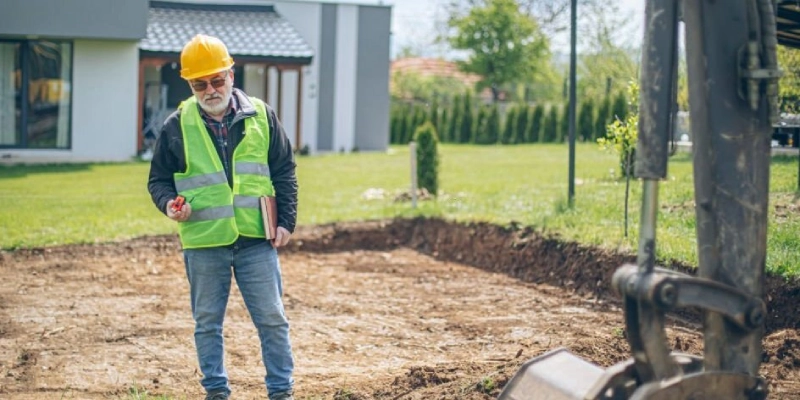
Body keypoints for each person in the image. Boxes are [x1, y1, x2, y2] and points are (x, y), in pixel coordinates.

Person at [147, 34, 298, 400]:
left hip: (255, 240)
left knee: (272, 320)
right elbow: (158, 180)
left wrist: (286, 221)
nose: (211, 89)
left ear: (231, 74)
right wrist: (169, 204)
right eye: (200, 83)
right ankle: (216, 392)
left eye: (217, 80)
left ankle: (281, 392)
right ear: (190, 84)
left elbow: (284, 170)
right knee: (207, 324)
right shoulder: (176, 125)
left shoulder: (262, 116)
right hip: (204, 241)